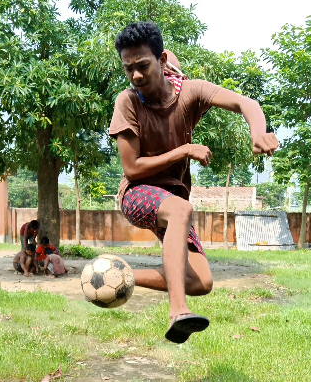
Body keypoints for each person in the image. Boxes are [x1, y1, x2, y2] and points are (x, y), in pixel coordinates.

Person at [109, 22, 279, 344]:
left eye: (142, 66)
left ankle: (118, 274)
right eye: (128, 69)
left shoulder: (190, 92)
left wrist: (258, 133)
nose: (136, 76)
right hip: (137, 194)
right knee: (180, 209)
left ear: (161, 60)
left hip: (173, 200)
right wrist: (184, 150)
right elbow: (132, 168)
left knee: (201, 282)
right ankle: (178, 312)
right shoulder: (127, 102)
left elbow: (247, 103)